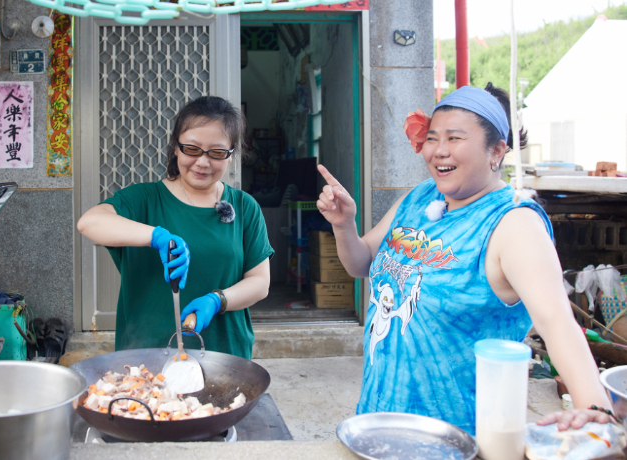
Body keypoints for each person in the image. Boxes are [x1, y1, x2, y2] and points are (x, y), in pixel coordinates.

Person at [317, 83, 614, 434]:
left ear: (496, 151)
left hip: (462, 436)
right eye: (432, 138)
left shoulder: (513, 222)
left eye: (455, 139)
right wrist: (344, 225)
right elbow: (362, 262)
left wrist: (594, 408)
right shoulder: (419, 198)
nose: (439, 151)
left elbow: (555, 321)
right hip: (380, 419)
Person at [77, 96, 273, 359]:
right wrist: (155, 236)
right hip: (145, 358)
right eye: (192, 149)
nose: (203, 162)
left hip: (225, 357)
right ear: (176, 148)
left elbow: (260, 283)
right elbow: (89, 222)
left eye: (216, 153)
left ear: (231, 156)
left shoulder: (245, 207)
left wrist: (217, 301)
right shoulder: (144, 200)